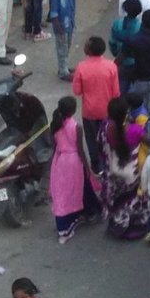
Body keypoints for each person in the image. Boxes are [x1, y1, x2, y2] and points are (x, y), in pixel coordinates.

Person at [49, 96, 98, 242]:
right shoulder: (77, 127)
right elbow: (80, 149)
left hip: (60, 160)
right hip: (73, 161)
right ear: (73, 110)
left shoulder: (54, 125)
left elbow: (54, 146)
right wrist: (87, 166)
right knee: (78, 187)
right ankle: (85, 213)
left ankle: (76, 215)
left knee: (63, 191)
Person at [101, 97, 150, 239]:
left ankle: (117, 224)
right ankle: (134, 227)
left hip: (114, 168)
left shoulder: (106, 128)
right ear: (126, 113)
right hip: (132, 172)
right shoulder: (135, 130)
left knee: (119, 198)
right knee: (135, 199)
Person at [72, 36, 120, 168]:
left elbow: (77, 91)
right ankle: (107, 161)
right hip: (107, 110)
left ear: (90, 50)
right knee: (107, 137)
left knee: (91, 138)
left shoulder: (81, 67)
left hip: (89, 111)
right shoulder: (111, 66)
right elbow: (116, 92)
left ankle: (95, 163)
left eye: (86, 45)